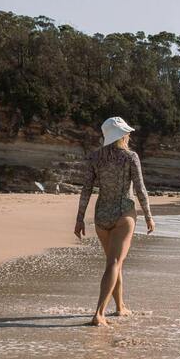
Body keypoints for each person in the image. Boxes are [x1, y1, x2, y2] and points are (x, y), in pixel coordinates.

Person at [74, 116, 155, 326]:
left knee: (114, 262)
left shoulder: (95, 158)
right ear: (122, 135)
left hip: (101, 217)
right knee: (115, 263)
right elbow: (140, 189)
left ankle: (120, 306)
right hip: (123, 214)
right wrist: (148, 216)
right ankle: (99, 313)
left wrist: (80, 219)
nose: (129, 135)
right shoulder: (130, 157)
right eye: (127, 132)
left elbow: (86, 189)